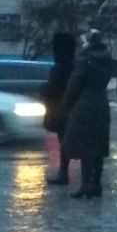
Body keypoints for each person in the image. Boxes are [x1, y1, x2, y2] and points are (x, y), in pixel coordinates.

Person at [61, 29, 113, 199]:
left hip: (84, 106)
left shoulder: (84, 60)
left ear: (89, 42)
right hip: (102, 104)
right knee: (98, 146)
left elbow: (74, 85)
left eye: (83, 41)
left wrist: (65, 106)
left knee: (85, 147)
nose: (82, 44)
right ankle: (96, 184)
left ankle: (85, 185)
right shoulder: (106, 58)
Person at [40, 32, 76, 185]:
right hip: (71, 109)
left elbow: (54, 89)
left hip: (61, 110)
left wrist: (43, 89)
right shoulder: (75, 65)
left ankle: (63, 173)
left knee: (64, 141)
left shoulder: (59, 68)